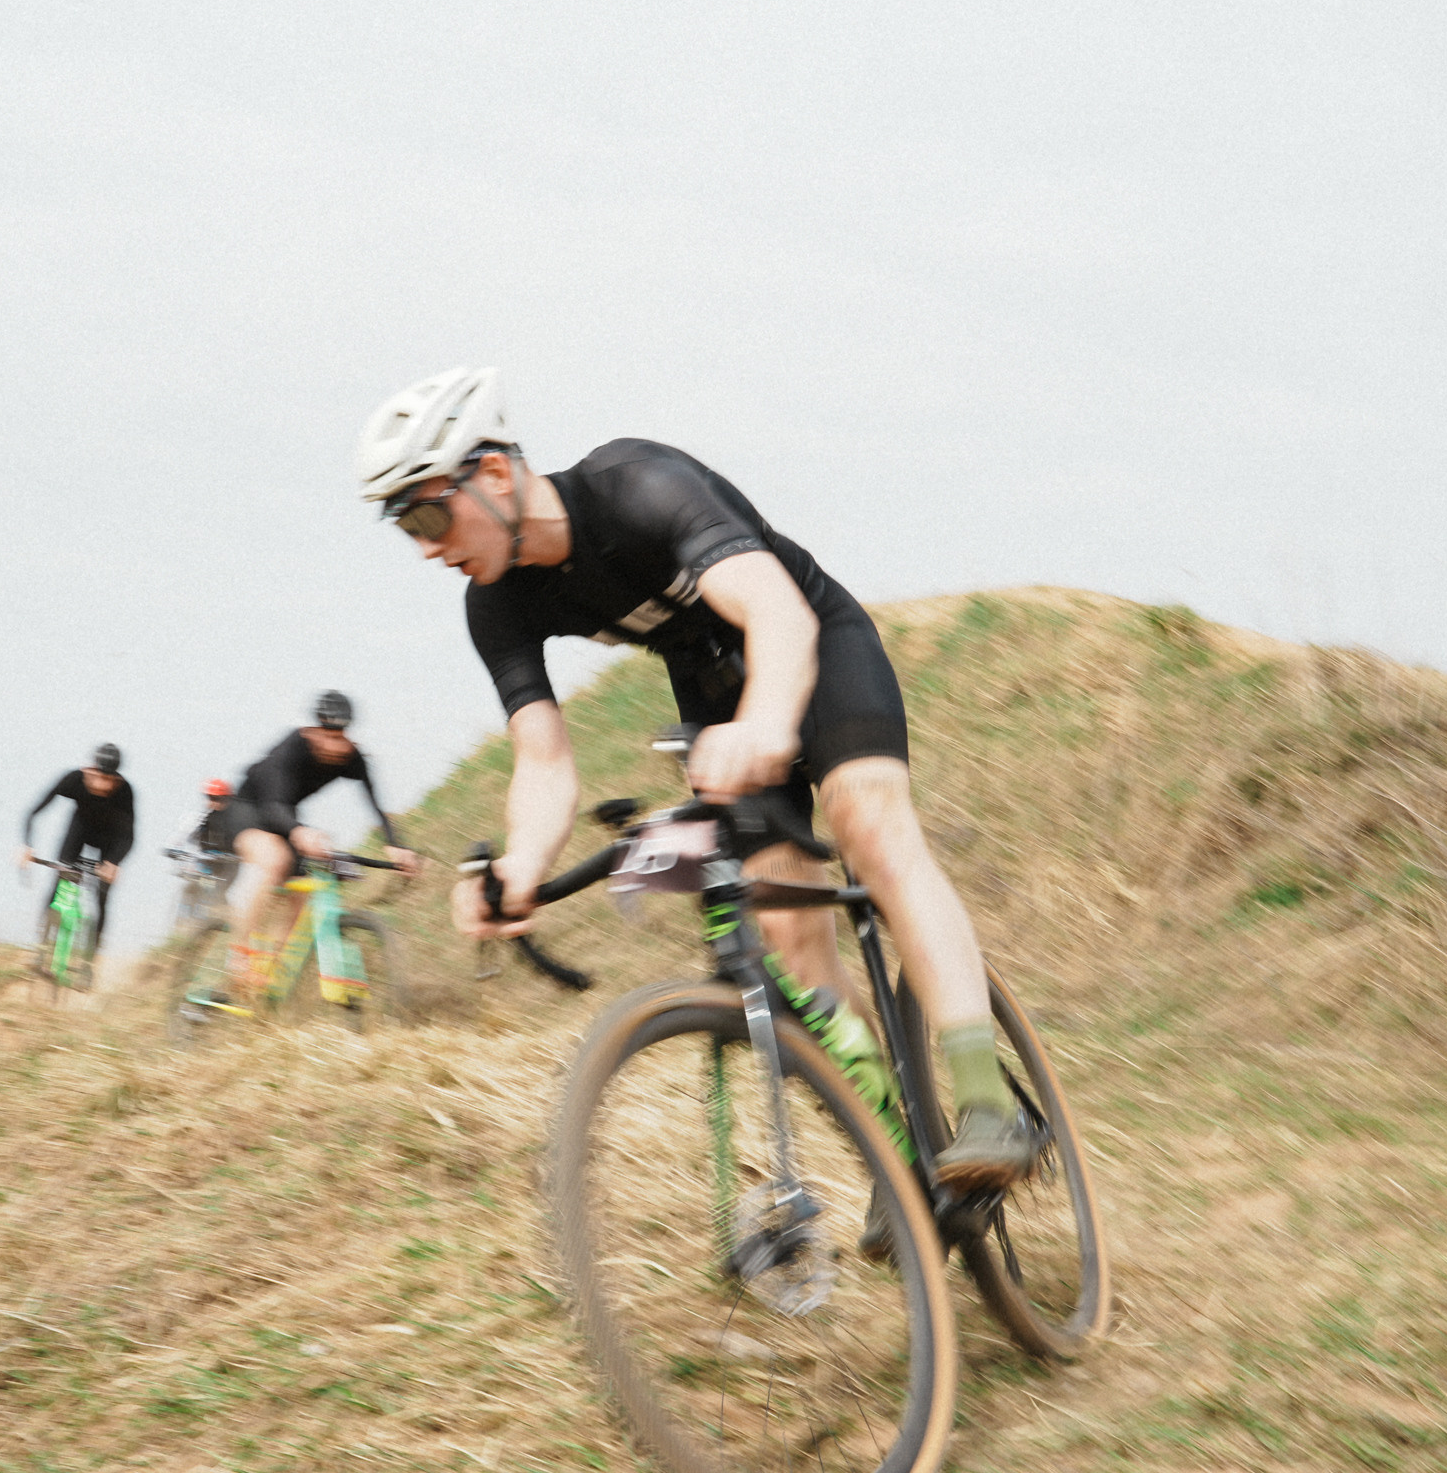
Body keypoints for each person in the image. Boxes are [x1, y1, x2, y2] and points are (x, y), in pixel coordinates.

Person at [355, 366, 1038, 1189]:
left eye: (429, 512)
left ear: (494, 472)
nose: (427, 546)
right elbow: (542, 758)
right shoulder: (496, 602)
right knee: (786, 937)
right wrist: (521, 869)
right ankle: (899, 1160)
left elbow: (777, 613)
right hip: (718, 698)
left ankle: (987, 1100)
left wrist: (768, 725)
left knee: (868, 826)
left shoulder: (637, 483)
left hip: (815, 646)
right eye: (405, 528)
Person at [198, 693, 420, 991]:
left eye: (339, 735)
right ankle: (238, 954)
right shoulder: (293, 747)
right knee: (275, 860)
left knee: (307, 890)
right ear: (313, 730)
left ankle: (270, 974)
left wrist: (396, 845)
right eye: (326, 734)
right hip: (248, 811)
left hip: (286, 819)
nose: (333, 744)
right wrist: (299, 831)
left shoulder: (350, 756)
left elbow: (375, 803)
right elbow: (273, 804)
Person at [17, 743, 135, 988]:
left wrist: (113, 863)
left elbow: (129, 836)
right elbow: (34, 811)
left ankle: (89, 964)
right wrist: (27, 845)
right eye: (98, 778)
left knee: (102, 895)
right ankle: (41, 948)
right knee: (59, 881)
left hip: (110, 841)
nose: (103, 786)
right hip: (79, 832)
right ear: (88, 770)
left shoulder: (125, 792)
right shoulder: (73, 780)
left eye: (109, 781)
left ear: (118, 779)